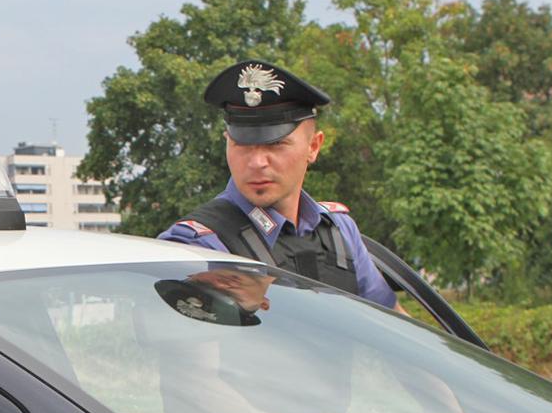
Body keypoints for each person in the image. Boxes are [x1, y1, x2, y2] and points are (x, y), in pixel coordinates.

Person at [158, 60, 398, 308]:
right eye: (242, 145)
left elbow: (399, 330)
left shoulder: (340, 232)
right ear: (227, 142)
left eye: (276, 144)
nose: (257, 162)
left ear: (313, 147)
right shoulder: (199, 244)